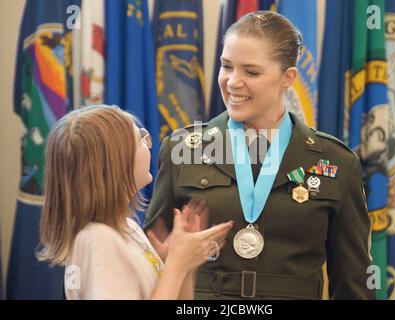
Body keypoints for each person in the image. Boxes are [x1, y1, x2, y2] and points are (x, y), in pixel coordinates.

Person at [144, 11, 375, 300]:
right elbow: (150, 263)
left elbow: (354, 284)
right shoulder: (182, 150)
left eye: (251, 72)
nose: (232, 82)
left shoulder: (336, 162)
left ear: (287, 78)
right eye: (226, 66)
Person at [38, 105, 233, 300]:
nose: (149, 145)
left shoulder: (126, 227)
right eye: (141, 139)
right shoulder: (98, 238)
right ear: (116, 162)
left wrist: (184, 264)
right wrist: (176, 263)